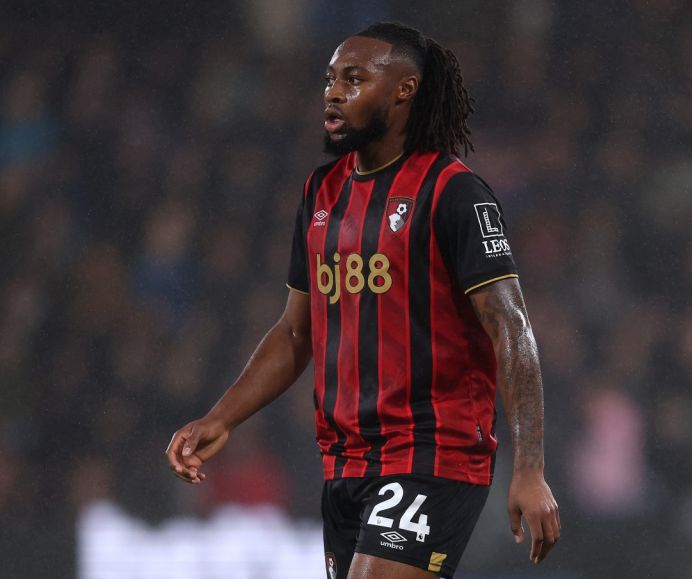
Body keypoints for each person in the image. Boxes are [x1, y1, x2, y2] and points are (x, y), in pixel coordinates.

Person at [166, 21, 560, 579]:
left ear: (404, 90)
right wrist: (221, 417)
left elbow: (511, 327)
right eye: (330, 79)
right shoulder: (321, 192)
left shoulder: (453, 192)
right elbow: (296, 332)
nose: (333, 92)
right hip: (344, 462)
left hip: (433, 452)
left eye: (354, 79)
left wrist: (530, 467)